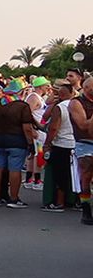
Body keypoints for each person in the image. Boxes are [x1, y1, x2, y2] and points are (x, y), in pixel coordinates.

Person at [0, 80, 37, 209]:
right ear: (20, 91)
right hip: (16, 141)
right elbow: (27, 128)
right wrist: (31, 144)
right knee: (15, 169)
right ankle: (13, 199)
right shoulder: (22, 106)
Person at [41, 80, 76, 213]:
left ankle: (59, 202)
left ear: (59, 95)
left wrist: (47, 144)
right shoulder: (78, 106)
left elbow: (54, 128)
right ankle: (73, 201)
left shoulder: (60, 107)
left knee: (59, 174)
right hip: (76, 144)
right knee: (73, 174)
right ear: (72, 93)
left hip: (61, 144)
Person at [68, 75, 93, 224]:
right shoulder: (76, 103)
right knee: (86, 175)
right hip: (85, 143)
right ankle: (86, 210)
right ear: (86, 88)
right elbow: (83, 126)